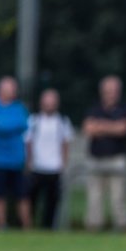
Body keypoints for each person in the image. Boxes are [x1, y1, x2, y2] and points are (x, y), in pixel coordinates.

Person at [82, 76, 126, 232]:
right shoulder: (94, 109)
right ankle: (93, 228)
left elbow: (123, 129)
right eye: (108, 90)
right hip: (96, 159)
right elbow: (88, 129)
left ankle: (122, 228)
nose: (111, 94)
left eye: (114, 91)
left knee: (119, 198)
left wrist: (100, 126)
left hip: (117, 160)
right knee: (94, 198)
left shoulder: (124, 109)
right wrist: (112, 127)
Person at [23, 88, 74, 230]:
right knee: (32, 199)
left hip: (54, 167)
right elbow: (28, 143)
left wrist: (64, 163)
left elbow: (65, 144)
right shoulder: (34, 121)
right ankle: (30, 226)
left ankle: (48, 227)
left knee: (52, 202)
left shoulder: (62, 122)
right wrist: (29, 162)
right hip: (37, 167)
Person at [0, 76, 30, 230]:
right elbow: (11, 126)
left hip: (16, 161)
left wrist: (1, 125)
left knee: (22, 195)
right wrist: (7, 126)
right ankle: (2, 225)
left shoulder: (19, 108)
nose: (13, 92)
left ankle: (27, 226)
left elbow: (21, 124)